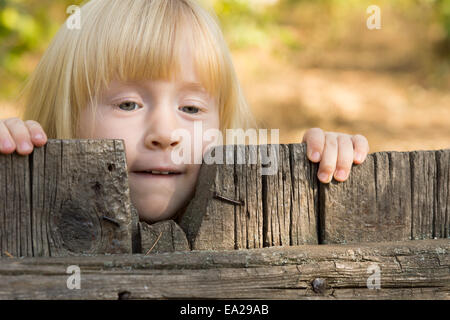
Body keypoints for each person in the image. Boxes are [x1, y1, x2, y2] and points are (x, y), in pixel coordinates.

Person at [0, 0, 369, 223]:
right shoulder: (19, 211)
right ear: (59, 117)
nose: (166, 132)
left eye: (191, 107)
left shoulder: (251, 221)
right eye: (128, 104)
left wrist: (324, 163)